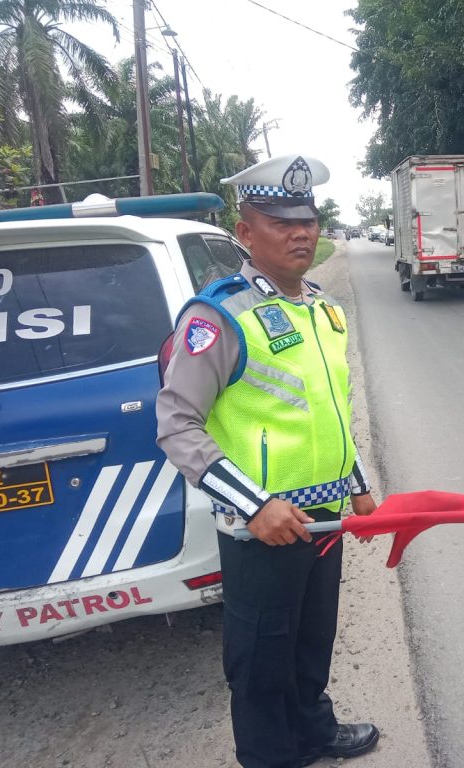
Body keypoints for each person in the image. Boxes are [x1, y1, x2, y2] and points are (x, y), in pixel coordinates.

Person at [157, 153, 379, 768]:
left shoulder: (322, 310)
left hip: (324, 519)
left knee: (312, 638)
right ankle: (270, 756)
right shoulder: (219, 315)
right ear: (246, 232)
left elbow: (330, 409)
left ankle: (313, 731)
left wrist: (358, 484)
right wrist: (255, 505)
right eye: (281, 222)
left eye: (307, 220)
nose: (300, 233)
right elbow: (176, 424)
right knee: (260, 656)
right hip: (260, 529)